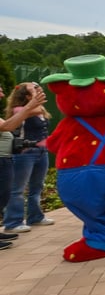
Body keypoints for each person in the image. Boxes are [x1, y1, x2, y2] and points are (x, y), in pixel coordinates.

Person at [0, 84, 46, 250]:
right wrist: (32, 102)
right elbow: (6, 126)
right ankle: (13, 221)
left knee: (8, 194)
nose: (2, 92)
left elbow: (11, 125)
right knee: (13, 191)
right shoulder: (19, 108)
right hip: (13, 156)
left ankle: (34, 216)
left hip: (21, 155)